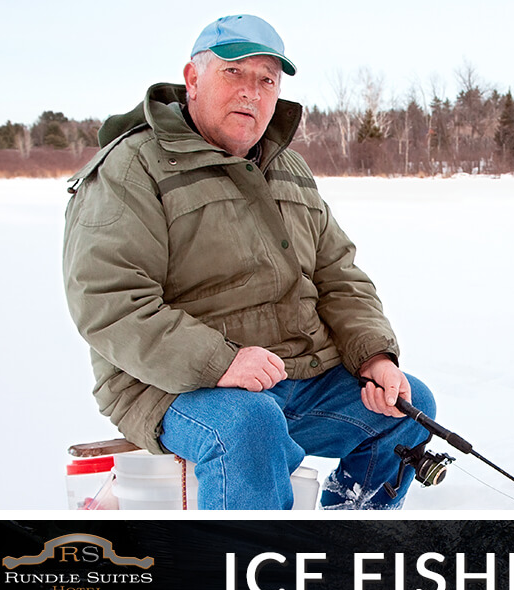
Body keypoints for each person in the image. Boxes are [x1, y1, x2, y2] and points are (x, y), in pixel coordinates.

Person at [62, 14, 435, 509]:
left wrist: (374, 356)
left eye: (266, 79)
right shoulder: (131, 167)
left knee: (409, 408)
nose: (251, 93)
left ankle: (347, 534)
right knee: (248, 423)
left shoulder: (289, 167)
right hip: (171, 385)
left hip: (292, 372)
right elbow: (108, 301)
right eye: (233, 72)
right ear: (192, 80)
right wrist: (221, 362)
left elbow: (339, 275)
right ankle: (251, 571)